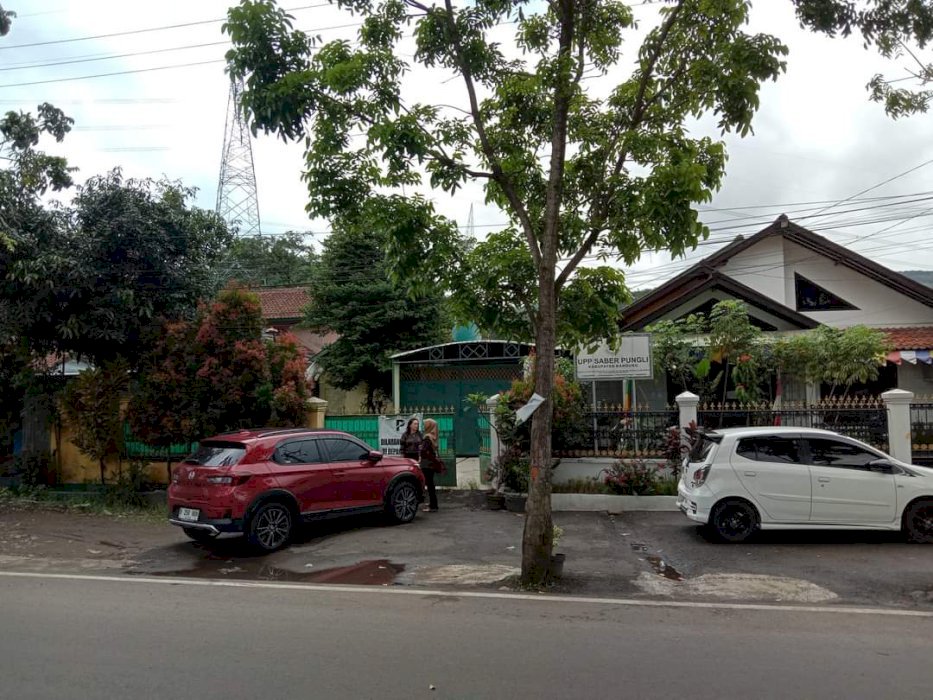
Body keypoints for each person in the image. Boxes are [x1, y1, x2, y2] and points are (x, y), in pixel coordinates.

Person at [419, 418, 445, 512]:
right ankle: (432, 503)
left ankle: (433, 506)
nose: (424, 425)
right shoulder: (433, 436)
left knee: (430, 485)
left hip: (426, 464)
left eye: (425, 424)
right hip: (431, 464)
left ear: (429, 426)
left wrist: (420, 450)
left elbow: (423, 451)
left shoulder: (427, 437)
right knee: (431, 485)